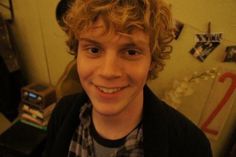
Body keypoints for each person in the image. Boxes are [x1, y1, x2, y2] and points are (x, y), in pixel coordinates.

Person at [43, 0, 212, 156]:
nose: (108, 72)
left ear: (152, 61)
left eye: (131, 52)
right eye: (94, 50)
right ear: (77, 53)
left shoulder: (191, 146)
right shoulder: (62, 113)